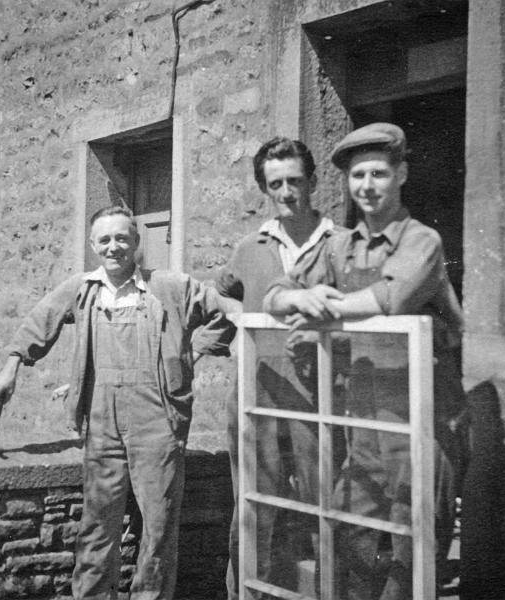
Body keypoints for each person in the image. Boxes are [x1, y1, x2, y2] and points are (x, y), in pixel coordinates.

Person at [0, 205, 235, 600]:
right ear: (92, 245)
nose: (114, 247)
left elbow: (224, 313)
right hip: (101, 423)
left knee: (158, 527)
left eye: (122, 238)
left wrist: (191, 353)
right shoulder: (82, 289)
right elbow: (40, 321)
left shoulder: (170, 286)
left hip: (158, 422)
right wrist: (12, 366)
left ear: (136, 242)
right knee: (96, 527)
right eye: (104, 239)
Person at [264, 123, 466, 599]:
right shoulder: (342, 245)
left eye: (378, 173)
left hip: (423, 410)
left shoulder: (422, 241)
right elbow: (275, 292)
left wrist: (321, 313)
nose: (367, 186)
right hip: (363, 414)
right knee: (348, 522)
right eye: (357, 176)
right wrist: (305, 294)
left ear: (402, 175)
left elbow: (391, 298)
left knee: (412, 535)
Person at [215, 137, 339, 598]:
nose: (287, 192)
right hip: (256, 395)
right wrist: (229, 331)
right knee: (251, 506)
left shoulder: (340, 243)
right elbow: (225, 288)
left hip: (318, 396)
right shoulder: (251, 246)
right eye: (276, 184)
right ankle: (243, 593)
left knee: (323, 504)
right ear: (265, 190)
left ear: (312, 180)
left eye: (295, 181)